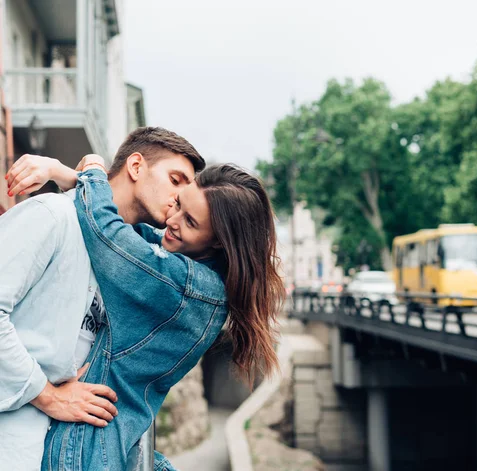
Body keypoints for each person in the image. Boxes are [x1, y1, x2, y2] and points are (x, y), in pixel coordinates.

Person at [7, 153, 285, 470]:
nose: (172, 220)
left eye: (190, 221)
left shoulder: (186, 286)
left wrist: (94, 169)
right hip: (106, 445)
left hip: (82, 447)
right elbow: (132, 230)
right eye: (179, 203)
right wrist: (69, 175)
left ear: (220, 243)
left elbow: (109, 235)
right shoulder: (197, 269)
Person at [0, 126, 204, 470]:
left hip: (60, 451)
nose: (178, 199)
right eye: (175, 180)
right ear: (136, 167)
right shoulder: (53, 216)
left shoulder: (129, 259)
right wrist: (48, 396)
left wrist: (68, 174)